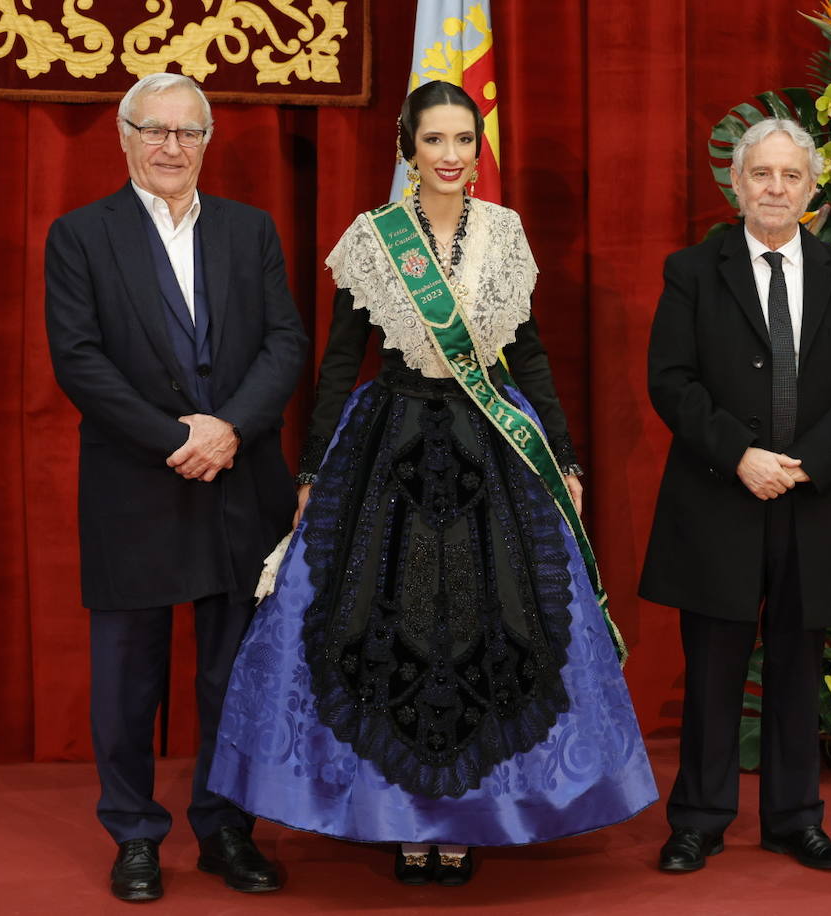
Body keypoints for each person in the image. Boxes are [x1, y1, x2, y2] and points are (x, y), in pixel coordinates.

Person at [207, 80, 657, 886]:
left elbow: (532, 357)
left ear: (478, 150)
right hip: (392, 451)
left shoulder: (506, 234)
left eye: (463, 141)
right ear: (406, 151)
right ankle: (407, 826)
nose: (450, 156)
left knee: (497, 632)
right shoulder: (373, 239)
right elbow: (340, 359)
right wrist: (311, 471)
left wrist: (565, 456)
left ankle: (466, 822)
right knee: (389, 631)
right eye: (434, 141)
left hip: (495, 453)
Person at [44, 72, 308, 901]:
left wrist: (228, 428)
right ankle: (133, 834)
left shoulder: (250, 229)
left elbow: (286, 343)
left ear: (207, 142)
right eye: (154, 130)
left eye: (187, 132)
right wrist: (176, 439)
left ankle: (226, 828)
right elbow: (79, 360)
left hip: (240, 479)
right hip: (135, 485)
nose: (170, 146)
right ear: (123, 138)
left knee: (234, 674)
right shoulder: (79, 236)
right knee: (129, 681)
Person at [640, 118, 831, 873]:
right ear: (737, 184)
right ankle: (700, 820)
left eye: (791, 177)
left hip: (815, 501)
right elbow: (671, 381)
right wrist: (740, 455)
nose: (776, 189)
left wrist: (807, 461)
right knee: (713, 667)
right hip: (721, 494)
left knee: (797, 667)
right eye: (762, 175)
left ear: (812, 191)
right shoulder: (691, 270)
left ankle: (794, 818)